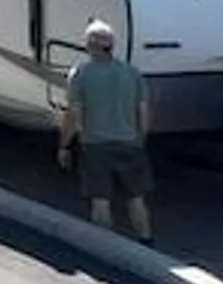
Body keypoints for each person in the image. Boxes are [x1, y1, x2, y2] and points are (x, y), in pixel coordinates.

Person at [56, 18, 152, 240]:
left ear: (90, 45)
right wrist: (140, 140)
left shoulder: (81, 74)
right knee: (136, 198)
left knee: (100, 199)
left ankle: (106, 244)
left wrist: (64, 145)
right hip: (130, 143)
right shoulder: (132, 73)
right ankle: (146, 239)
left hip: (95, 145)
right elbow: (144, 113)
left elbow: (73, 114)